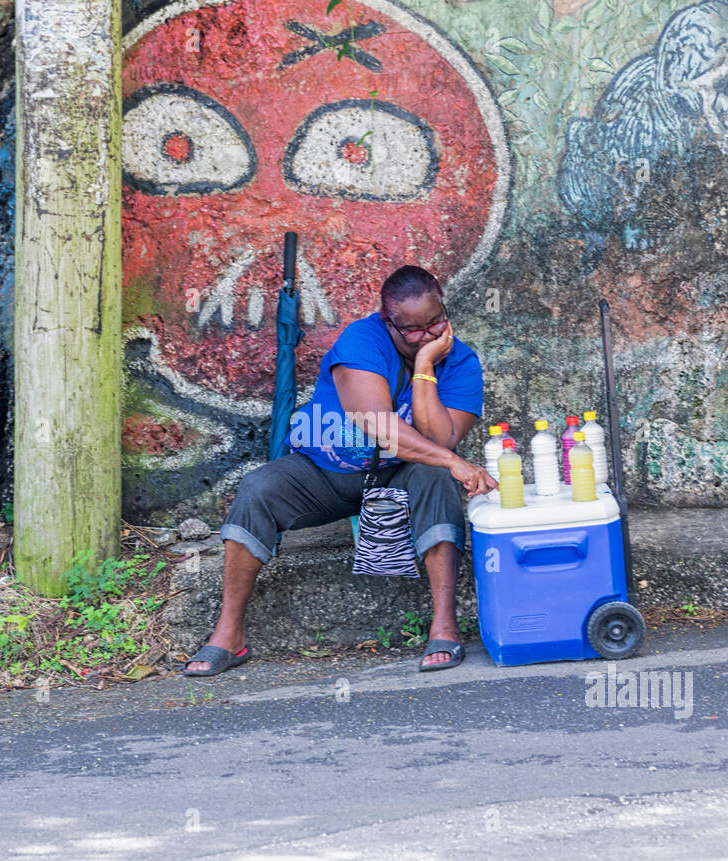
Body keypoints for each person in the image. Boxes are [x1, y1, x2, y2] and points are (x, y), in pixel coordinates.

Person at [182, 265, 497, 676]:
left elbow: (441, 441)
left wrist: (424, 367)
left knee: (437, 475)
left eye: (435, 323)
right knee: (258, 487)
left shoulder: (461, 362)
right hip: (327, 475)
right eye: (413, 330)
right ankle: (228, 634)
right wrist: (456, 462)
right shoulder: (362, 340)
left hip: (403, 478)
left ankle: (444, 625)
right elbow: (378, 426)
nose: (428, 335)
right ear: (388, 322)